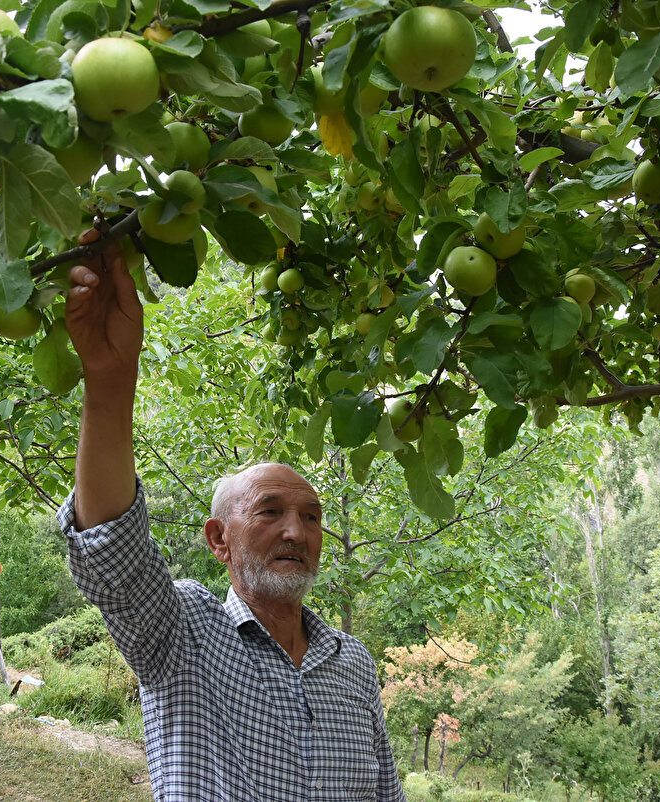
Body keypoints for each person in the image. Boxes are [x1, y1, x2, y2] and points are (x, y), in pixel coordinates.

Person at [55, 229, 407, 801]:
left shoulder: (353, 665)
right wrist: (110, 376)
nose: (297, 531)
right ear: (218, 539)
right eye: (269, 511)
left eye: (312, 517)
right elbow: (111, 552)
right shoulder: (184, 636)